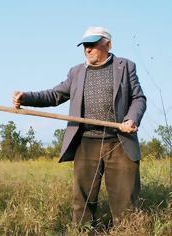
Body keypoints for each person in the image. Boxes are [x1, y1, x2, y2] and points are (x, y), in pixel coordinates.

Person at [12, 26, 146, 226]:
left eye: (92, 45)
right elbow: (54, 95)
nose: (87, 49)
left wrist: (131, 119)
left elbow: (138, 98)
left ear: (108, 44)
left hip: (119, 142)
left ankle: (128, 230)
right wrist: (27, 97)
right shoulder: (76, 72)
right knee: (82, 201)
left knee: (125, 201)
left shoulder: (125, 66)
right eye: (85, 45)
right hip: (86, 143)